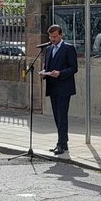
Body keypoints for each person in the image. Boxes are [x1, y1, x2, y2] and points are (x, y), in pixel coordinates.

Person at [41, 24, 77, 155]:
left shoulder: (68, 48)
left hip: (64, 87)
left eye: (55, 36)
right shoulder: (49, 49)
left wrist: (60, 73)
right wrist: (45, 72)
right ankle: (63, 142)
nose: (52, 39)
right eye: (51, 37)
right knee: (57, 116)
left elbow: (74, 68)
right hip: (52, 86)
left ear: (61, 35)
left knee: (62, 116)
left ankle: (61, 143)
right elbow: (48, 66)